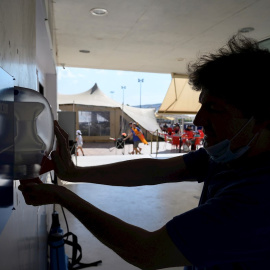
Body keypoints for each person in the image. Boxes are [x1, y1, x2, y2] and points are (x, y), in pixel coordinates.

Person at [19, 34, 270, 269]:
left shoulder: (259, 195)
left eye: (214, 109)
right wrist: (74, 173)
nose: (198, 120)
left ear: (262, 119)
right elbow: (155, 170)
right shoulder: (232, 154)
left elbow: (148, 252)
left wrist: (64, 196)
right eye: (202, 105)